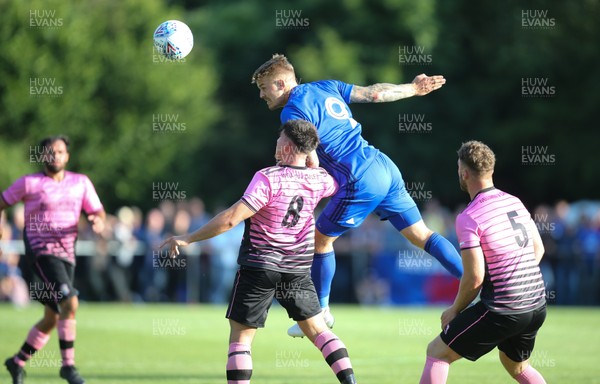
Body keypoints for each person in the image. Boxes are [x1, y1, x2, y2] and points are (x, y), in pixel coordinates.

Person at [251, 54, 464, 337]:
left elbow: (311, 159)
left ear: (281, 83)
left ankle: (321, 312)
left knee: (320, 240)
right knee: (422, 235)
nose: (262, 94)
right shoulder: (327, 86)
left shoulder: (291, 112)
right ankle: (479, 283)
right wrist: (413, 88)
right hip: (383, 165)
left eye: (265, 87)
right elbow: (374, 93)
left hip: (358, 177)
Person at [159, 119, 357, 384]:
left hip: (259, 266)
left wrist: (189, 238)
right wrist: (311, 155)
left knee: (241, 339)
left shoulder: (267, 177)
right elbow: (330, 179)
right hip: (296, 269)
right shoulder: (320, 180)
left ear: (287, 145)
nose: (276, 142)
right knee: (320, 332)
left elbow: (231, 219)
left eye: (279, 138)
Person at [418, 140, 547, 384]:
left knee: (436, 353)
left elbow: (475, 277)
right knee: (517, 367)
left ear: (464, 173)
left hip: (504, 308)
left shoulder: (469, 216)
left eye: (458, 168)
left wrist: (454, 310)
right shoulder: (514, 201)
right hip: (536, 303)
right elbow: (537, 248)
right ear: (491, 170)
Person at [1, 135, 105, 384]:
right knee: (70, 301)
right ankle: (68, 367)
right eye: (50, 152)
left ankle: (17, 362)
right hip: (41, 252)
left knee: (52, 318)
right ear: (43, 156)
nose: (55, 155)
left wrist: (97, 219)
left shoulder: (81, 183)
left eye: (59, 151)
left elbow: (96, 210)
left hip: (67, 254)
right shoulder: (30, 183)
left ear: (67, 156)